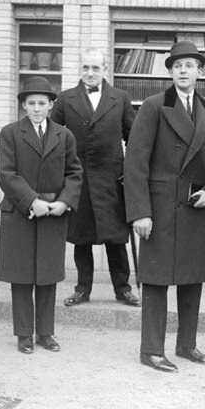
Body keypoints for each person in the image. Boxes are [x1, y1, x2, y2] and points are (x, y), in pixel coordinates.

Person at [123, 41, 205, 373]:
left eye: (190, 65)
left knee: (191, 278)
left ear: (201, 71)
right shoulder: (155, 106)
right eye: (177, 66)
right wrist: (140, 211)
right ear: (170, 72)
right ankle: (151, 349)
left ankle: (187, 345)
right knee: (155, 280)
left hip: (194, 206)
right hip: (158, 208)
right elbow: (135, 162)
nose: (184, 71)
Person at [0, 76, 83, 355]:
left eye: (42, 103)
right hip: (20, 212)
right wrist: (31, 200)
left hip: (53, 213)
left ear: (51, 105)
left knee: (47, 274)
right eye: (30, 103)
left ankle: (46, 332)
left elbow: (74, 173)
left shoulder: (64, 135)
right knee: (21, 275)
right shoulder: (10, 133)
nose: (36, 108)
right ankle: (24, 334)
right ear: (23, 105)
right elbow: (6, 174)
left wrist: (65, 202)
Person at [50, 48, 140, 308]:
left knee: (116, 238)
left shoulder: (120, 98)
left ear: (105, 70)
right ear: (80, 69)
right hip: (79, 179)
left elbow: (132, 137)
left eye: (96, 68)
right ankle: (82, 289)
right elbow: (53, 136)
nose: (90, 73)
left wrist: (130, 171)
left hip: (112, 179)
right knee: (82, 237)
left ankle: (123, 290)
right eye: (86, 68)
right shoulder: (65, 99)